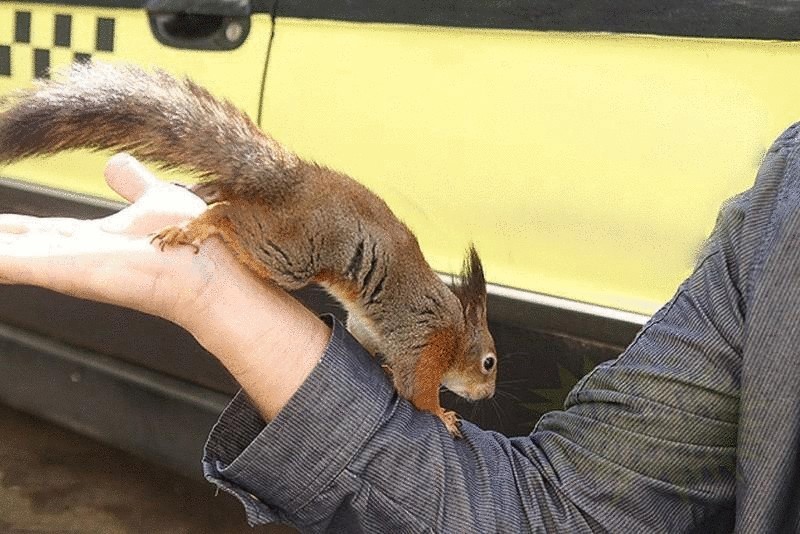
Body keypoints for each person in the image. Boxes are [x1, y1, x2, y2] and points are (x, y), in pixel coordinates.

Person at [0, 123, 799, 532]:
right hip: (326, 245)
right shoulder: (778, 225)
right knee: (286, 264)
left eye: (481, 376)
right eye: (485, 374)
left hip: (336, 247)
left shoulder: (439, 333)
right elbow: (551, 510)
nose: (484, 388)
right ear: (474, 353)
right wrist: (216, 297)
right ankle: (217, 223)